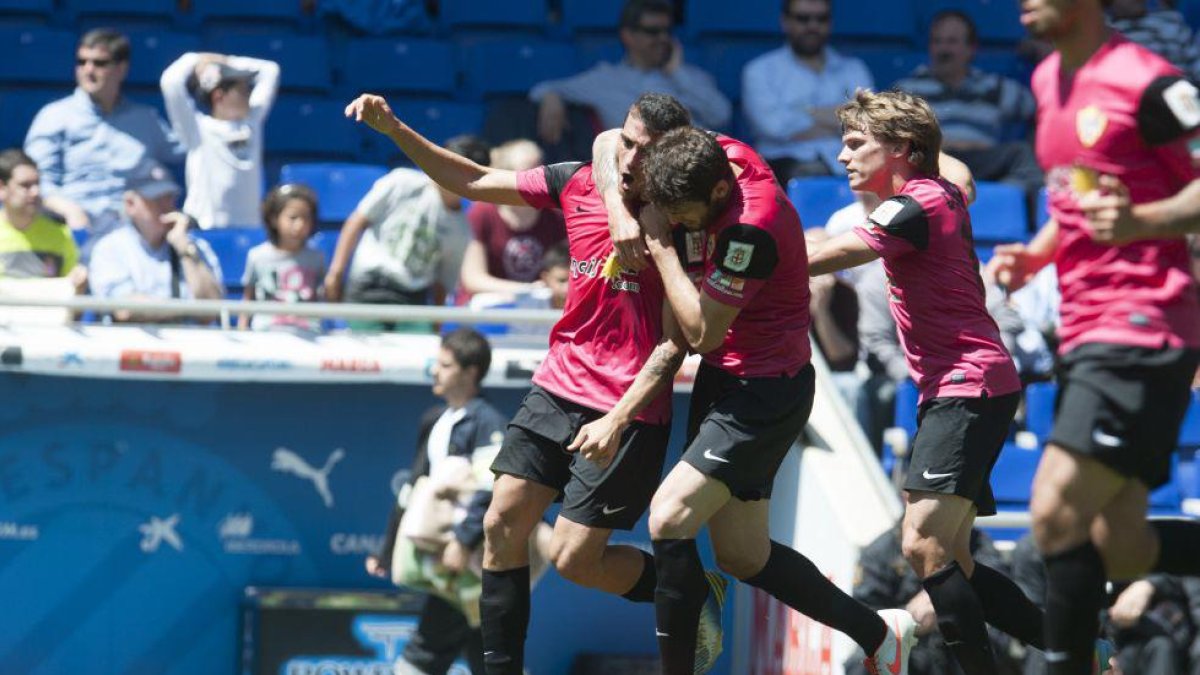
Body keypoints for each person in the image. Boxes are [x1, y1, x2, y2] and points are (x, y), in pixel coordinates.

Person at [345, 91, 725, 675]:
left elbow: (677, 343)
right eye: (625, 143)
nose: (629, 160)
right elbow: (472, 179)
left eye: (646, 152)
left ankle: (689, 588)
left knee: (575, 561)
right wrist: (395, 128)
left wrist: (617, 418)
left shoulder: (680, 222)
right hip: (556, 386)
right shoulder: (578, 182)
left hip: (627, 407)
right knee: (501, 524)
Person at [622, 125, 915, 675]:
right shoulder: (719, 153)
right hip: (725, 382)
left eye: (683, 213)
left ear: (715, 194)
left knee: (667, 518)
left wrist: (661, 246)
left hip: (763, 394)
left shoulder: (747, 231)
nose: (681, 223)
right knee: (743, 556)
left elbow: (703, 335)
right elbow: (622, 134)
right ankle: (880, 631)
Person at [806, 88, 1059, 675]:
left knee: (923, 545)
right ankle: (1080, 650)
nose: (842, 157)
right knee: (955, 562)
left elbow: (842, 250)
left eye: (854, 144)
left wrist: (740, 258)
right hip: (962, 387)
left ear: (898, 148)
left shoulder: (916, 203)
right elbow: (961, 170)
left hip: (967, 386)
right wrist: (921, 143)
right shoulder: (941, 187)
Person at [987, 0, 1200, 672]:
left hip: (1141, 324)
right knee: (1123, 546)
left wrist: (1142, 221)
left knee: (1053, 513)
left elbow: (1147, 206)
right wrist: (1035, 255)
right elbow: (1075, 196)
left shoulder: (1153, 83)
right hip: (1081, 331)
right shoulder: (1048, 80)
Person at [366, 328, 510, 675]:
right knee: (490, 656)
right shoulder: (434, 421)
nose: (434, 371)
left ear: (470, 372)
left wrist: (463, 541)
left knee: (425, 654)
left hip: (475, 562)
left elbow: (490, 488)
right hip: (446, 559)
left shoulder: (488, 422)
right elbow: (414, 488)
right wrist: (387, 549)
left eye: (444, 365)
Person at [24, 28, 183, 250]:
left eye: (99, 63)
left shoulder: (146, 120)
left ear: (121, 68)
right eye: (82, 62)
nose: (88, 70)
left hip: (135, 238)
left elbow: (188, 153)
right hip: (73, 234)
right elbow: (34, 181)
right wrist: (69, 209)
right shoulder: (54, 117)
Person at [324, 135, 491, 331]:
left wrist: (436, 328)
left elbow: (442, 283)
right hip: (369, 285)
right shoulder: (401, 181)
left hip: (413, 299)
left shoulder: (461, 230)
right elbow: (357, 221)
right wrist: (336, 272)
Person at [529, 0, 730, 146]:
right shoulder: (605, 78)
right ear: (628, 36)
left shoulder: (689, 76)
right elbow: (543, 87)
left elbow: (721, 115)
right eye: (652, 31)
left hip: (693, 165)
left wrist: (677, 72)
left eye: (667, 31)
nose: (662, 38)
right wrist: (551, 97)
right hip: (637, 172)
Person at [894, 11, 1042, 196]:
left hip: (982, 162)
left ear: (971, 48)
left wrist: (1045, 55)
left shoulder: (994, 87)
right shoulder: (908, 89)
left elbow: (1042, 109)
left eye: (951, 41)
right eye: (937, 41)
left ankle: (995, 201)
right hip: (934, 163)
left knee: (1021, 154)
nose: (943, 49)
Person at [848, 521, 1020, 675]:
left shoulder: (975, 543)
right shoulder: (882, 551)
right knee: (861, 663)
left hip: (960, 646)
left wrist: (955, 599)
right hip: (908, 649)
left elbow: (1001, 599)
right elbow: (864, 617)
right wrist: (908, 619)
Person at [741, 0, 874, 181]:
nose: (813, 26)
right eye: (803, 19)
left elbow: (867, 123)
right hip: (781, 168)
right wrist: (839, 117)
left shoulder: (855, 69)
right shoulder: (760, 70)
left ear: (830, 23)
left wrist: (802, 114)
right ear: (785, 22)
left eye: (821, 19)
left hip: (848, 165)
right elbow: (773, 127)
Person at [88, 159, 224, 322]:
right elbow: (125, 309)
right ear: (130, 204)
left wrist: (185, 251)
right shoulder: (110, 248)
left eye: (169, 198)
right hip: (131, 344)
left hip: (187, 344)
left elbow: (210, 311)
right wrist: (187, 309)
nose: (166, 206)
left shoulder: (194, 246)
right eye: (155, 199)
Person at [160, 51, 280, 229]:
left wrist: (226, 61)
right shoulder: (197, 128)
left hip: (249, 228)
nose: (248, 95)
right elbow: (170, 82)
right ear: (218, 96)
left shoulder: (252, 122)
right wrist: (195, 59)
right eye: (242, 90)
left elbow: (271, 70)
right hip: (206, 227)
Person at [459, 140, 566, 299]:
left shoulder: (556, 216)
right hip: (488, 311)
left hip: (536, 311)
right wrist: (527, 290)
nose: (539, 180)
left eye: (541, 171)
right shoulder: (482, 213)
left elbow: (567, 271)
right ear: (505, 176)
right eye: (528, 173)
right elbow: (473, 280)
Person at [239, 184, 325, 331]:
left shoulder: (317, 258)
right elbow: (248, 298)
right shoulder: (257, 256)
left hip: (308, 333)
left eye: (306, 218)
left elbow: (324, 298)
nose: (300, 225)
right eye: (293, 217)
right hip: (266, 333)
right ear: (274, 219)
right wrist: (242, 329)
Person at [0, 149, 83, 288]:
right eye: (25, 185)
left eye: (37, 184)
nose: (35, 192)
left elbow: (72, 301)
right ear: (2, 188)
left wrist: (79, 286)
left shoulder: (61, 234)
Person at [1109, 0, 1200, 81]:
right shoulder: (1109, 34)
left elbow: (1195, 61)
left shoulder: (1171, 20)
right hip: (1137, 92)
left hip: (1183, 90)